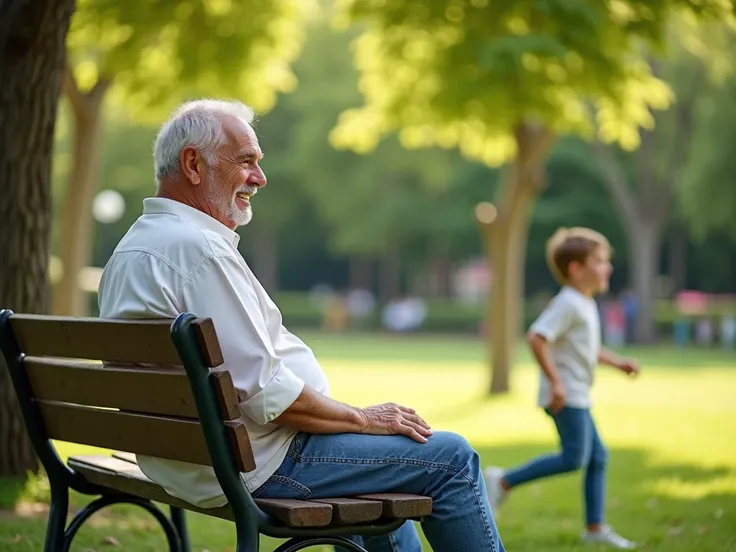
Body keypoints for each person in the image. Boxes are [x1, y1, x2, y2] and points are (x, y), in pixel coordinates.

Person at [97, 99, 504, 552]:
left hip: (188, 460)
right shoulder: (199, 251)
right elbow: (265, 394)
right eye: (246, 161)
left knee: (387, 487)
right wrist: (361, 418)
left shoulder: (135, 246)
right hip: (254, 464)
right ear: (193, 164)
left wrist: (349, 422)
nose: (259, 178)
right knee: (451, 458)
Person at [483, 227, 639, 549]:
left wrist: (618, 363)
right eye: (599, 261)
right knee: (574, 458)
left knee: (598, 457)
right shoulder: (568, 303)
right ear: (576, 269)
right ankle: (502, 480)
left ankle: (595, 528)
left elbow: (587, 348)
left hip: (577, 393)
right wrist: (556, 382)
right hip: (566, 396)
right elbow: (537, 337)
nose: (607, 267)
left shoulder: (584, 303)